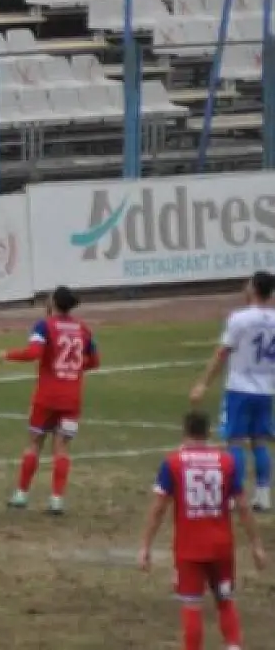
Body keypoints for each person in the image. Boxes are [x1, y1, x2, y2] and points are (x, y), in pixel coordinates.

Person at [138, 410, 266, 650]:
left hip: (190, 549)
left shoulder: (173, 463)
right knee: (225, 601)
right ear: (208, 432)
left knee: (192, 606)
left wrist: (145, 546)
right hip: (221, 547)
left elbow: (158, 509)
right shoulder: (226, 462)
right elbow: (243, 506)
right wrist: (256, 545)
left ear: (184, 431)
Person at [0, 284, 98, 514]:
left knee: (34, 443)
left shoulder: (44, 326)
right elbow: (95, 361)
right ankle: (56, 500)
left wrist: (8, 354)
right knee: (62, 448)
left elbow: (34, 353)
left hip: (47, 396)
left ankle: (22, 494)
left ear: (53, 303)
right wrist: (73, 368)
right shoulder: (83, 329)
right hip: (72, 398)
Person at [189, 271, 275, 512]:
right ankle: (263, 494)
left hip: (239, 387)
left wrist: (203, 383)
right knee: (260, 442)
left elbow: (222, 352)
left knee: (235, 441)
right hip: (266, 389)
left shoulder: (240, 318)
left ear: (254, 288)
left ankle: (234, 494)